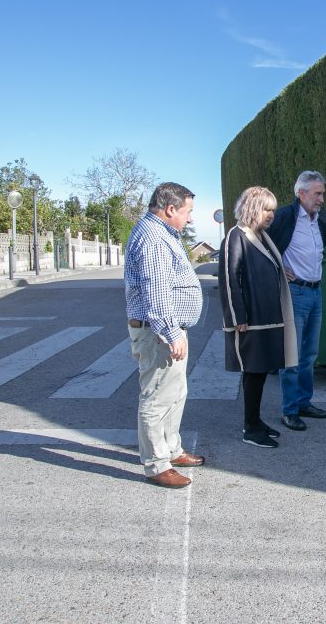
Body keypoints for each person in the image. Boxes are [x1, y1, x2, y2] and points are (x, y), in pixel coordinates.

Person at [125, 182, 205, 488]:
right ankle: (157, 463)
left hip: (165, 329)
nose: (190, 219)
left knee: (174, 392)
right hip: (158, 331)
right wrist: (171, 333)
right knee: (157, 396)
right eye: (188, 211)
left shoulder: (160, 233)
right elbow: (156, 292)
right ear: (170, 209)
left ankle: (171, 449)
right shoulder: (154, 238)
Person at [218, 186, 298, 448]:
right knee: (253, 372)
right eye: (266, 209)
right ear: (252, 208)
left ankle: (255, 420)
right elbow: (230, 278)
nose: (271, 214)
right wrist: (236, 315)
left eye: (273, 209)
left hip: (267, 317)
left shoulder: (260, 236)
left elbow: (261, 265)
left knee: (261, 371)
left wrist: (278, 272)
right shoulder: (236, 235)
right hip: (251, 319)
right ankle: (250, 428)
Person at [267, 170, 326, 431]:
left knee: (310, 354)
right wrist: (278, 267)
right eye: (317, 193)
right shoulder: (285, 216)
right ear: (301, 193)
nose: (321, 199)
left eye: (323, 193)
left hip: (316, 292)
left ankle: (304, 402)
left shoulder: (320, 221)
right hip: (294, 293)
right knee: (291, 355)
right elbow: (261, 244)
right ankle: (289, 410)